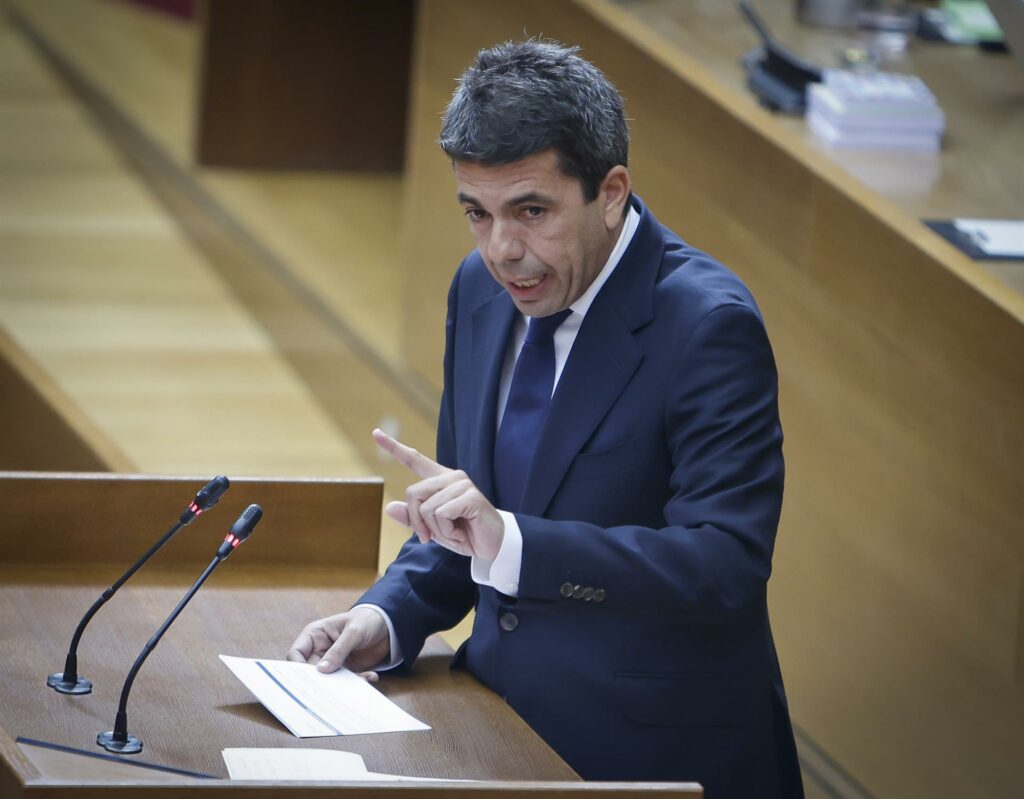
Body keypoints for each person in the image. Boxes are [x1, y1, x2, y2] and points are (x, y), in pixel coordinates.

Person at [288, 39, 803, 798]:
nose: (503, 249)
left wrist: (515, 542)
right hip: (494, 728)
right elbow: (471, 520)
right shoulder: (479, 288)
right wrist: (388, 616)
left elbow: (723, 564)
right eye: (478, 213)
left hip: (654, 755)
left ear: (612, 192)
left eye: (531, 211)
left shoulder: (706, 326)